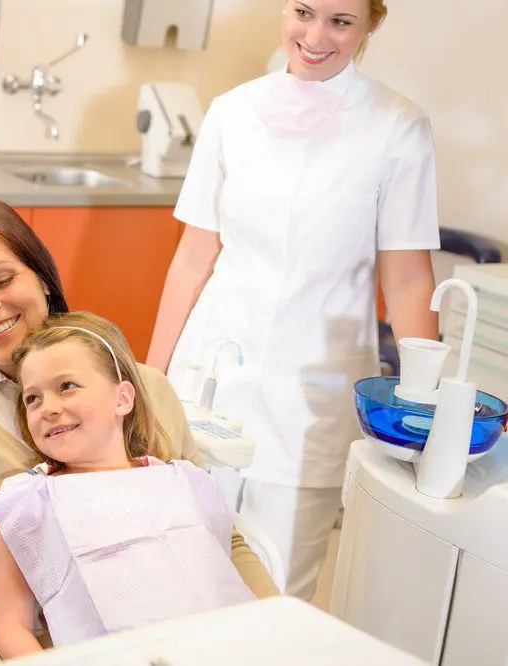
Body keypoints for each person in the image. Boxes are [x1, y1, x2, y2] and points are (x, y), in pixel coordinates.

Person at [0, 198, 279, 665]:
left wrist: (279, 630)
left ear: (40, 273)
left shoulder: (148, 388)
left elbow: (222, 542)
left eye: (3, 280)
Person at [146, 0, 440, 601]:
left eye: (341, 21)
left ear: (371, 25)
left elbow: (408, 279)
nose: (314, 36)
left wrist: (424, 410)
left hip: (313, 402)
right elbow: (192, 258)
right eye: (303, 12)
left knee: (277, 593)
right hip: (208, 378)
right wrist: (148, 381)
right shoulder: (231, 113)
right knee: (174, 579)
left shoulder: (397, 126)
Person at [0, 312, 257, 660]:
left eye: (67, 386)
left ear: (123, 398)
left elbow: (218, 578)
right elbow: (12, 630)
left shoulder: (188, 482)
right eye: (32, 399)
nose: (47, 409)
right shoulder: (26, 504)